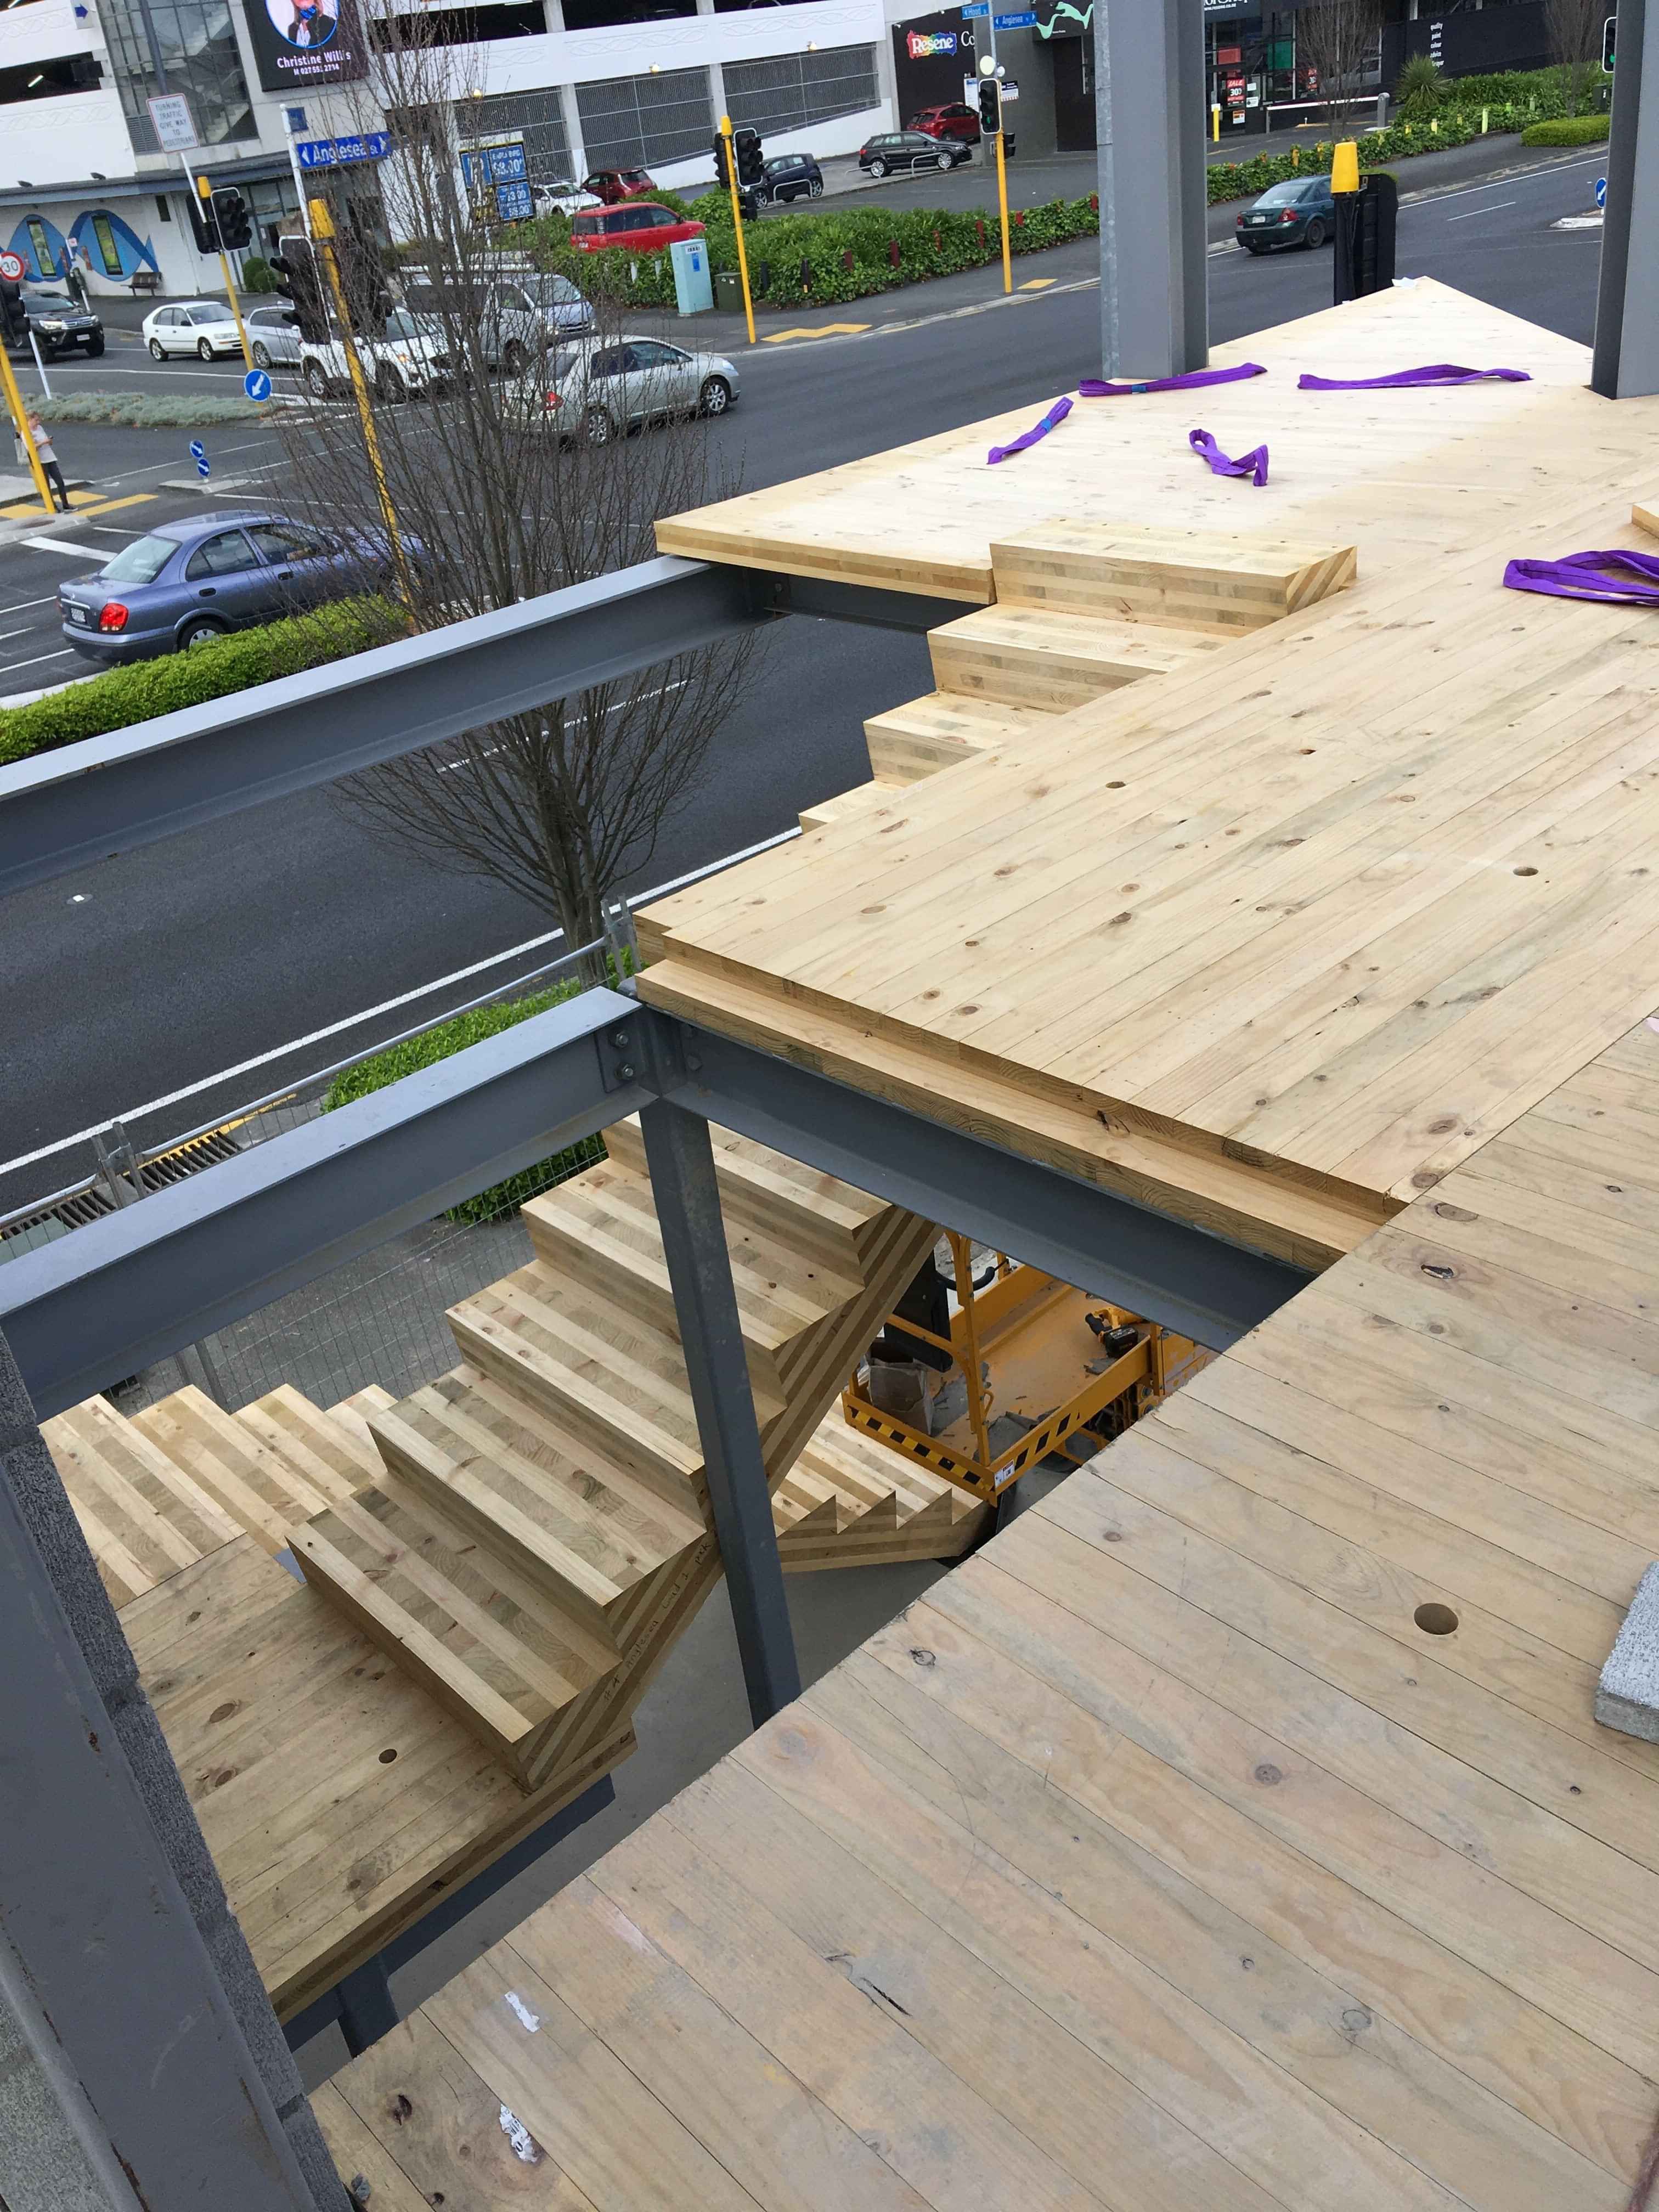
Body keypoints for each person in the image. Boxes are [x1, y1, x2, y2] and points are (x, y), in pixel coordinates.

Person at [16, 413, 69, 511]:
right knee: (46, 486)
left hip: (50, 457)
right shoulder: (26, 433)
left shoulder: (40, 428)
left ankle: (66, 505)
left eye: (39, 420)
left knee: (60, 482)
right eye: (36, 420)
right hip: (40, 461)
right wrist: (44, 442)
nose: (38, 422)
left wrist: (48, 441)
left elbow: (44, 441)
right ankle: (53, 506)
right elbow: (31, 448)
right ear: (30, 420)